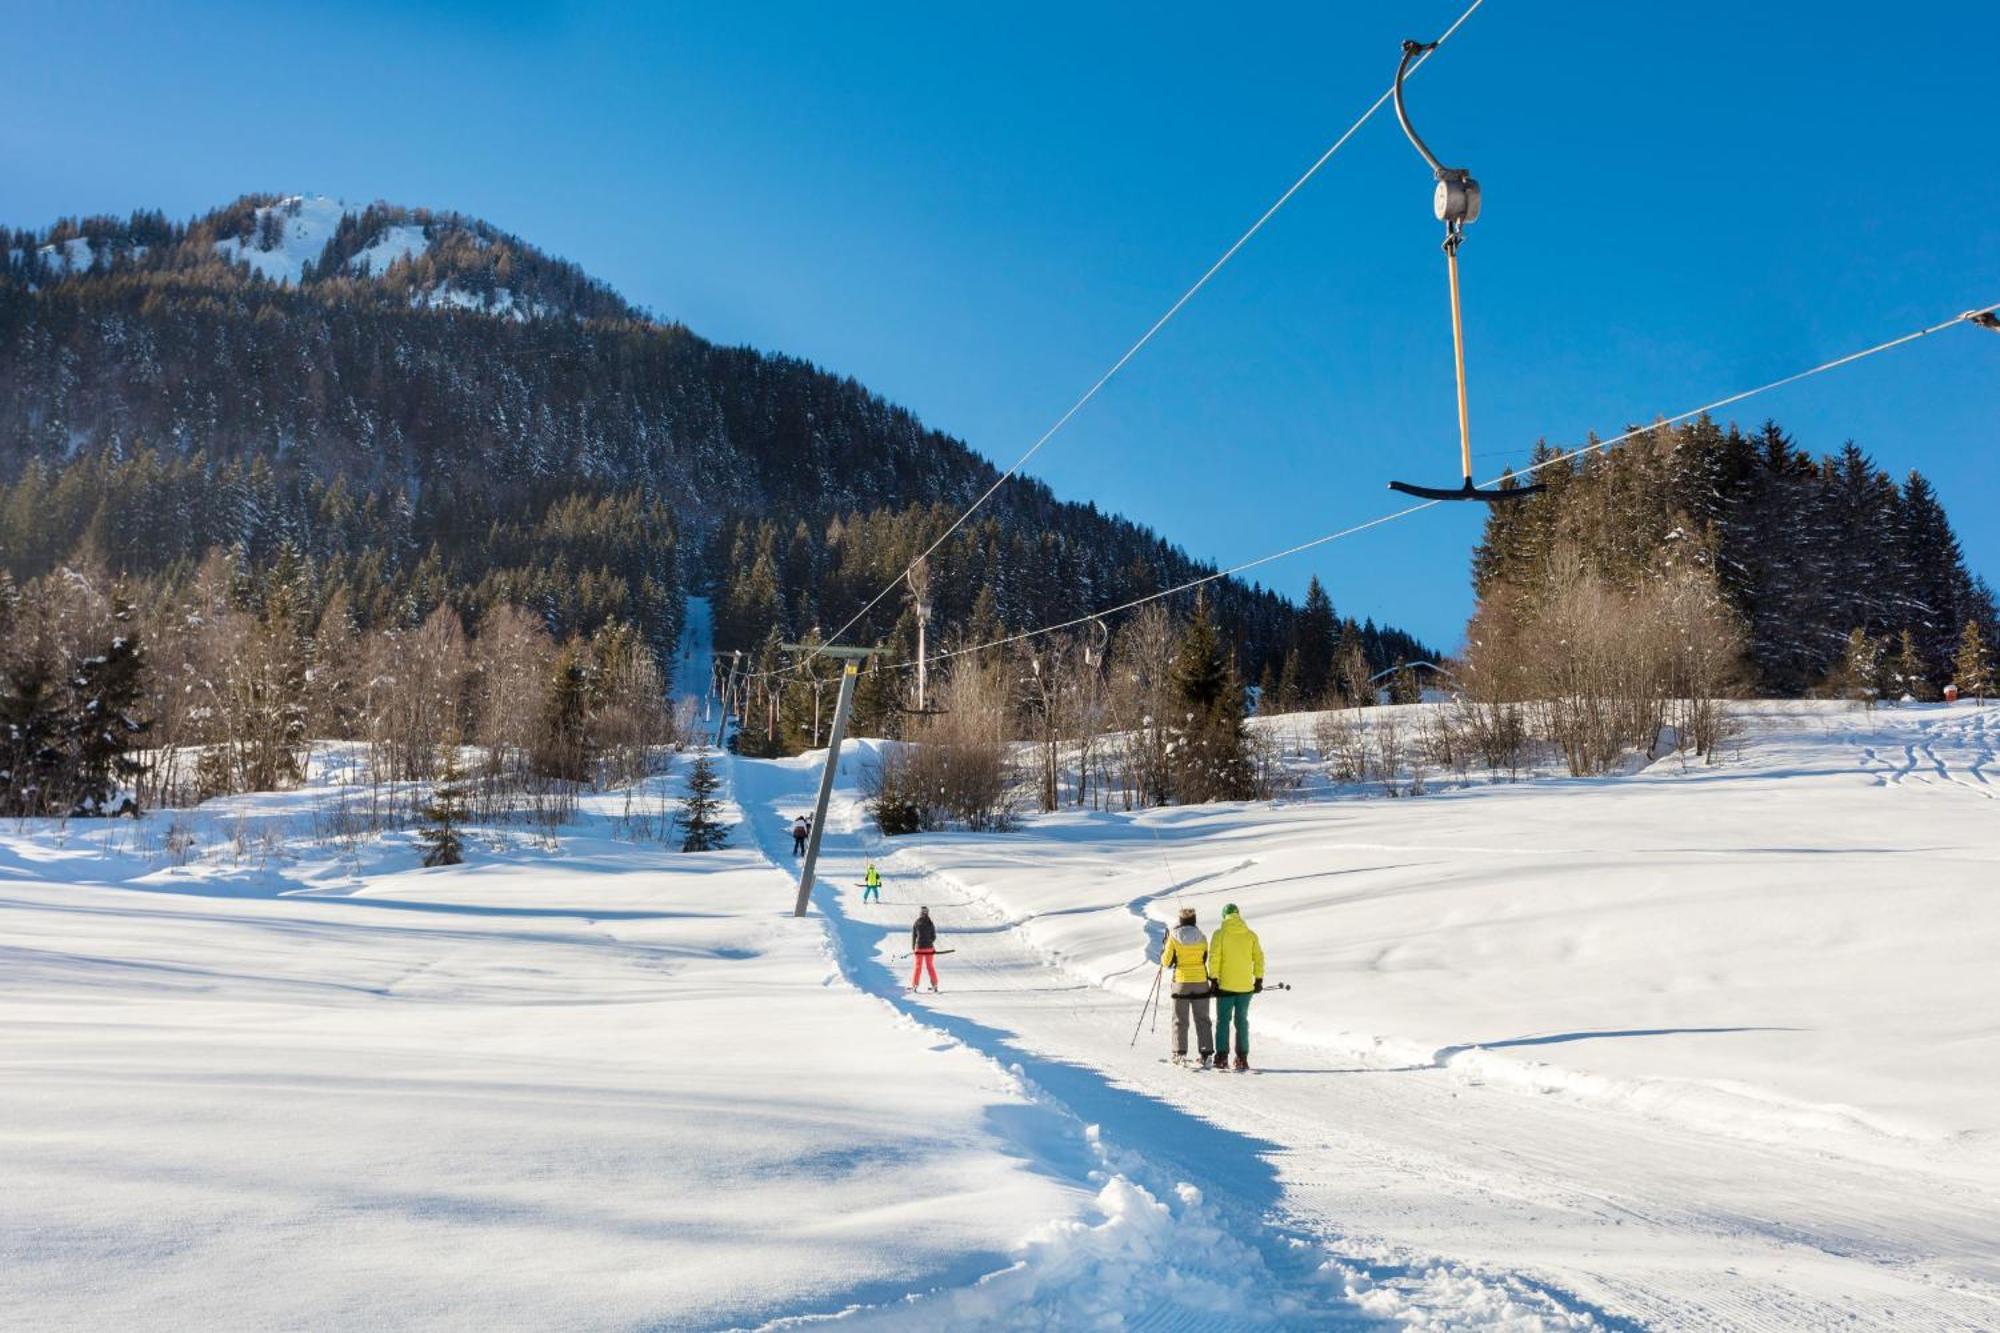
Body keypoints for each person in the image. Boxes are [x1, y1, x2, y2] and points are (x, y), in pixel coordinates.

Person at [1206, 903, 1264, 1072]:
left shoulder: (1220, 934)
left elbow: (1214, 958)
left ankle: (1222, 1057)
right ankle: (1242, 1058)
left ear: (1224, 916)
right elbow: (1259, 958)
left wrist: (1213, 980)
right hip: (1246, 987)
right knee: (1242, 1021)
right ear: (1238, 915)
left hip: (1225, 986)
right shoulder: (1250, 935)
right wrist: (1258, 979)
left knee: (1223, 1021)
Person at [1160, 907, 1215, 1068]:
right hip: (1200, 980)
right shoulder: (1202, 937)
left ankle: (1180, 1053)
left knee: (1180, 1019)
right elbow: (1204, 958)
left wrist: (1165, 946)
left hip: (1181, 982)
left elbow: (1166, 962)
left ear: (1180, 920)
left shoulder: (1173, 937)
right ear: (1194, 920)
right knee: (1203, 1019)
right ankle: (1206, 1054)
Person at [910, 906, 940, 992]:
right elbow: (934, 936)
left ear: (920, 913)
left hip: (919, 948)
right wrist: (929, 942)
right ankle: (935, 985)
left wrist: (913, 947)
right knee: (930, 966)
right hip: (929, 949)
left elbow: (914, 936)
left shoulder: (916, 923)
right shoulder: (930, 923)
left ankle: (915, 985)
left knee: (918, 966)